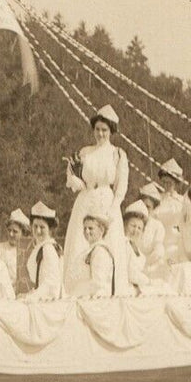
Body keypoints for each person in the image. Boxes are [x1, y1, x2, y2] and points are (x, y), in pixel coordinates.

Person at [62, 105, 131, 295]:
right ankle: (75, 291)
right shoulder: (85, 152)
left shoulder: (118, 154)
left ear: (111, 131)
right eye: (97, 129)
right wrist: (75, 180)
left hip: (106, 202)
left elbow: (121, 186)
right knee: (80, 243)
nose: (100, 134)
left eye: (104, 130)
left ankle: (107, 290)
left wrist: (113, 208)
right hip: (86, 200)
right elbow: (72, 176)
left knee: (108, 244)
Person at [67, 209, 120, 298]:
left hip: (96, 299)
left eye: (90, 228)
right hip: (85, 297)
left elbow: (98, 282)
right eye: (85, 228)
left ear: (101, 230)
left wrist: (75, 293)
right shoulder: (91, 250)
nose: (87, 231)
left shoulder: (100, 251)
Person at [20, 202, 62, 302]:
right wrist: (29, 294)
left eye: (42, 227)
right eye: (35, 226)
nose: (38, 231)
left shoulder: (48, 248)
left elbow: (50, 283)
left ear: (50, 229)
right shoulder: (41, 247)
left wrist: (30, 297)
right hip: (43, 296)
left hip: (49, 300)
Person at [123, 200, 163, 294]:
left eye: (139, 228)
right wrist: (149, 281)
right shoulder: (124, 244)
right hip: (126, 288)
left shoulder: (134, 246)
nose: (135, 230)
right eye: (133, 226)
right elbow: (131, 273)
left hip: (135, 285)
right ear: (125, 225)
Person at [134, 183, 170, 280]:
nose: (144, 209)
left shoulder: (157, 226)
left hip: (149, 266)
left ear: (154, 209)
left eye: (148, 207)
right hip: (132, 263)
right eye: (142, 204)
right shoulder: (132, 222)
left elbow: (158, 251)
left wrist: (145, 264)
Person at [0, 208, 31, 294]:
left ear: (24, 233)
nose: (11, 234)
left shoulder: (28, 253)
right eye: (9, 230)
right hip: (1, 294)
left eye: (15, 231)